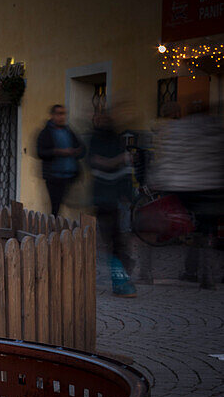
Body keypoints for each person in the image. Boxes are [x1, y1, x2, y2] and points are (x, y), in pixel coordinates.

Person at [151, 101, 224, 288]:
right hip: (210, 188)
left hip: (184, 187)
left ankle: (190, 270)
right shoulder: (216, 128)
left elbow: (169, 157)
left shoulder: (178, 129)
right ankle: (208, 275)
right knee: (208, 231)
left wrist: (160, 179)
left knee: (190, 228)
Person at [88, 108, 136, 297]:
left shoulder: (114, 139)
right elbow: (97, 162)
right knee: (113, 239)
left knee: (117, 238)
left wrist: (127, 193)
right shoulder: (96, 140)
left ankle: (121, 277)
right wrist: (120, 159)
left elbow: (123, 170)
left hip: (115, 198)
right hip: (104, 198)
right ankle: (120, 279)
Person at [36, 104, 84, 216]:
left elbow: (81, 147)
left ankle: (71, 230)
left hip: (70, 176)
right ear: (53, 115)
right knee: (55, 207)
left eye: (64, 114)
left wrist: (77, 151)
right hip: (54, 176)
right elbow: (40, 152)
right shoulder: (46, 133)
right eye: (59, 114)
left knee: (74, 206)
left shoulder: (69, 131)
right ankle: (54, 230)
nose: (62, 117)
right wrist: (58, 152)